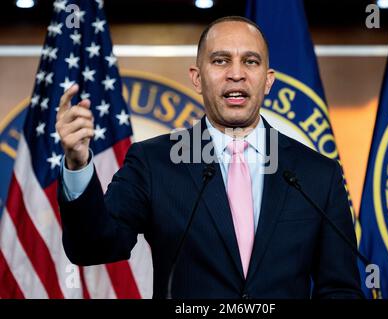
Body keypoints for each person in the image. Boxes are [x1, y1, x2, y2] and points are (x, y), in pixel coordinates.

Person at [56, 16, 363, 299]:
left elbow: (339, 289)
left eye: (250, 62)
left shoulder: (318, 174)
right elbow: (92, 247)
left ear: (268, 80)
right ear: (198, 77)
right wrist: (78, 164)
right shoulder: (153, 162)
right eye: (220, 61)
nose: (236, 74)